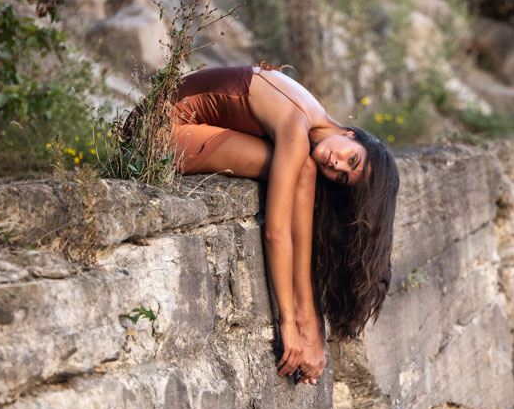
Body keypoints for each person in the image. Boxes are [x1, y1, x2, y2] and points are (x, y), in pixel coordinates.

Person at [169, 63, 399, 385]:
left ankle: (312, 318)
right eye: (352, 158)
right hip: (160, 132)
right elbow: (276, 233)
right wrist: (288, 324)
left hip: (184, 128)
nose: (336, 165)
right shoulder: (297, 125)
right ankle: (308, 319)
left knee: (304, 169)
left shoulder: (313, 121)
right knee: (302, 169)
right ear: (351, 135)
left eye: (344, 176)